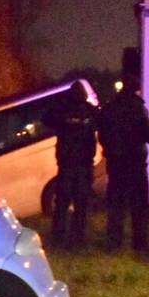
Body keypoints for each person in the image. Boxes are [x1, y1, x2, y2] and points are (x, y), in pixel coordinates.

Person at [97, 74, 149, 252]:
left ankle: (114, 243)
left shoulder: (109, 107)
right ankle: (140, 243)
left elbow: (101, 133)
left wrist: (110, 148)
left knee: (116, 205)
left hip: (116, 163)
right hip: (136, 162)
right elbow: (148, 134)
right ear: (136, 89)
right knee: (140, 206)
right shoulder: (139, 108)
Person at [41, 82, 100, 248]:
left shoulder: (62, 110)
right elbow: (102, 121)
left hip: (67, 164)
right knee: (81, 203)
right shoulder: (89, 111)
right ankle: (77, 238)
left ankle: (59, 238)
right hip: (83, 164)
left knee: (62, 203)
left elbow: (46, 119)